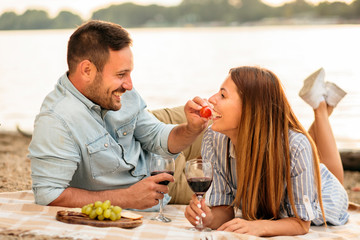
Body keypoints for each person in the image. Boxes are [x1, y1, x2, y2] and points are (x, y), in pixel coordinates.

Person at [28, 20, 208, 209]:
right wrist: (126, 198)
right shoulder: (56, 121)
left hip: (159, 152)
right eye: (121, 74)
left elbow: (156, 137)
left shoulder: (119, 92)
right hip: (166, 186)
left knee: (232, 117)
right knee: (232, 191)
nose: (129, 85)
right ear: (87, 70)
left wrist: (191, 129)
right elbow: (48, 194)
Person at [184, 66, 349, 236]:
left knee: (331, 174)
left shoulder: (297, 145)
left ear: (251, 107)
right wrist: (207, 218)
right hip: (294, 159)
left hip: (326, 194)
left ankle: (321, 108)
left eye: (223, 95)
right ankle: (323, 104)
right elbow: (224, 210)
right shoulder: (213, 139)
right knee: (303, 146)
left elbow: (302, 224)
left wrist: (260, 227)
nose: (211, 99)